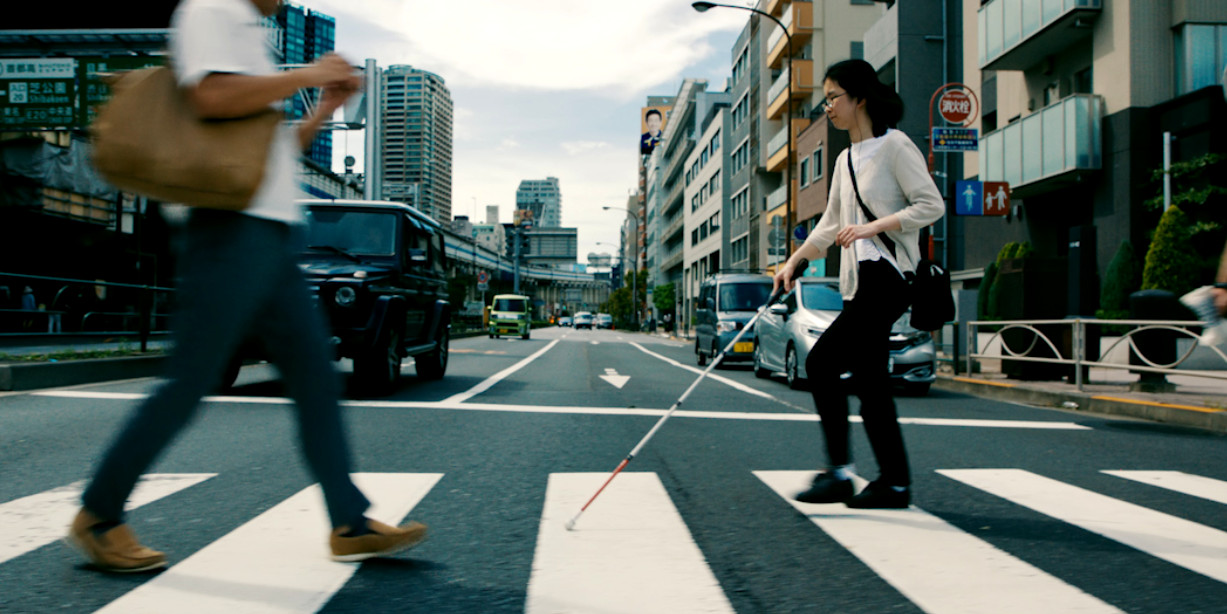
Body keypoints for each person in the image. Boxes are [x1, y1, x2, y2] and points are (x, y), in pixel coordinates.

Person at [66, 0, 426, 574]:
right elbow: (208, 97)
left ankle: (349, 520)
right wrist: (309, 76)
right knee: (192, 379)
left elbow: (268, 152)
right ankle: (101, 513)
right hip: (229, 232)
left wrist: (325, 106)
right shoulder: (209, 10)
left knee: (313, 378)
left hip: (274, 235)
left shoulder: (251, 32)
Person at [773, 59, 944, 509]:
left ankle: (840, 474)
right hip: (858, 281)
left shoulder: (895, 147)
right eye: (825, 99)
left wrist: (872, 227)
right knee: (871, 386)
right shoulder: (846, 158)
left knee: (822, 362)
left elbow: (931, 205)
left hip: (888, 277)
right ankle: (894, 483)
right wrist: (794, 260)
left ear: (860, 98)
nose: (827, 107)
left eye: (833, 98)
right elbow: (831, 224)